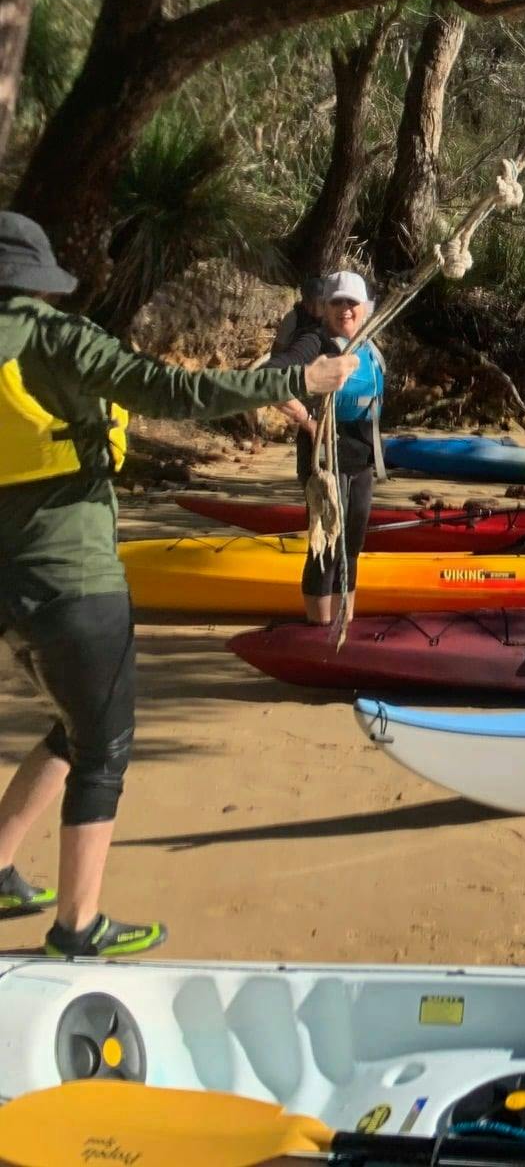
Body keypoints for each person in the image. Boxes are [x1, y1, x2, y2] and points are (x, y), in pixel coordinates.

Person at [0, 212, 356, 958]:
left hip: (12, 597)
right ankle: (78, 926)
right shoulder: (57, 339)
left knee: (76, 726)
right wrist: (298, 378)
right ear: (37, 283)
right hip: (76, 584)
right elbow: (171, 390)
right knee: (105, 749)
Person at [266, 271, 388, 625]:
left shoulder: (368, 345)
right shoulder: (314, 343)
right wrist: (307, 419)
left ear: (365, 308)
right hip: (324, 459)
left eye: (352, 302)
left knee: (352, 547)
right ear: (325, 307)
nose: (345, 309)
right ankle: (319, 628)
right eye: (337, 302)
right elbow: (272, 378)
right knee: (327, 549)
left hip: (361, 458)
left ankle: (343, 625)